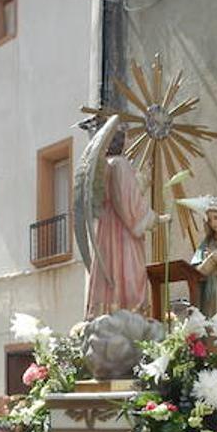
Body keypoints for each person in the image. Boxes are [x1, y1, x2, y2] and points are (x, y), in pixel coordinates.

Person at [86, 127, 155, 319]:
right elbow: (125, 200)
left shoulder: (105, 165)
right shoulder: (121, 164)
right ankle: (130, 311)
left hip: (108, 227)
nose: (131, 143)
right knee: (130, 271)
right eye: (128, 139)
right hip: (123, 228)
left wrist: (142, 180)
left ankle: (109, 311)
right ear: (121, 141)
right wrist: (149, 218)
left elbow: (119, 193)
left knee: (110, 269)